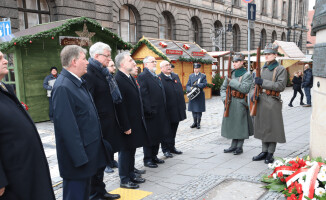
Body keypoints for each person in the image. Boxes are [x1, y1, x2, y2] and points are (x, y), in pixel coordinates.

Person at [52, 45, 108, 200]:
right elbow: (67, 128)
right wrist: (80, 159)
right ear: (74, 61)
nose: (88, 63)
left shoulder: (76, 82)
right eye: (84, 59)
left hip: (86, 157)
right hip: (77, 162)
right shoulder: (64, 86)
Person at [0, 51, 56, 199]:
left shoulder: (4, 88)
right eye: (0, 58)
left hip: (28, 169)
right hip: (14, 180)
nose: (5, 61)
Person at [82, 42, 121, 200]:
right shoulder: (89, 73)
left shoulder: (104, 72)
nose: (109, 58)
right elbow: (89, 101)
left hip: (107, 123)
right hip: (98, 125)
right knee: (96, 161)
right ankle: (94, 193)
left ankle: (101, 190)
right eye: (107, 55)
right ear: (96, 56)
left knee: (102, 159)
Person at [114, 52, 150, 189]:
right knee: (125, 150)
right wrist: (125, 125)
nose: (133, 63)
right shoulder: (118, 79)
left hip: (135, 120)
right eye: (130, 60)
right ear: (122, 64)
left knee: (132, 149)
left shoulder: (129, 77)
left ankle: (131, 173)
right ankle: (124, 179)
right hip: (127, 123)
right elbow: (120, 105)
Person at [252, 43, 287, 164]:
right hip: (261, 99)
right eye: (265, 54)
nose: (266, 56)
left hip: (273, 100)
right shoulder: (262, 68)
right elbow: (255, 85)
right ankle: (264, 151)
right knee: (263, 127)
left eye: (269, 54)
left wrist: (263, 82)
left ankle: (270, 153)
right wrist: (253, 94)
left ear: (275, 55)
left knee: (272, 128)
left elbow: (280, 86)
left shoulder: (280, 69)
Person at [137, 56, 171, 168]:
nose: (155, 63)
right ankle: (148, 159)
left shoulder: (154, 75)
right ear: (146, 64)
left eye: (155, 62)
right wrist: (148, 110)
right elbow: (144, 95)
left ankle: (154, 156)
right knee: (150, 137)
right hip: (151, 112)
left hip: (159, 111)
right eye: (153, 62)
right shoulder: (143, 76)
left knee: (158, 135)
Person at [220, 53, 254, 155]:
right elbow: (223, 88)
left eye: (237, 61)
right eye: (234, 62)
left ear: (242, 62)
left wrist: (232, 82)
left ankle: (239, 147)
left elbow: (244, 89)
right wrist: (224, 99)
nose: (234, 64)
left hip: (240, 101)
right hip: (230, 101)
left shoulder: (246, 75)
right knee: (233, 124)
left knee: (240, 124)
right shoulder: (231, 74)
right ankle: (233, 145)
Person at [159, 61, 186, 158]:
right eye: (166, 65)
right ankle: (165, 150)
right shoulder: (159, 78)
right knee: (166, 131)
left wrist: (182, 106)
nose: (168, 66)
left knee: (174, 130)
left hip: (176, 109)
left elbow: (180, 91)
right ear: (161, 68)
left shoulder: (175, 76)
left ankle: (172, 147)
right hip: (167, 110)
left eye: (169, 65)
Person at [186, 63, 207, 129]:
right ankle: (194, 122)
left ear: (199, 69)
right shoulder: (191, 76)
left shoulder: (202, 76)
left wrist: (197, 85)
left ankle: (198, 123)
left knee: (199, 110)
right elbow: (188, 85)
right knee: (193, 109)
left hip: (199, 95)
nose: (195, 70)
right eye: (194, 68)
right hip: (192, 95)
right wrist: (189, 89)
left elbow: (205, 84)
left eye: (197, 68)